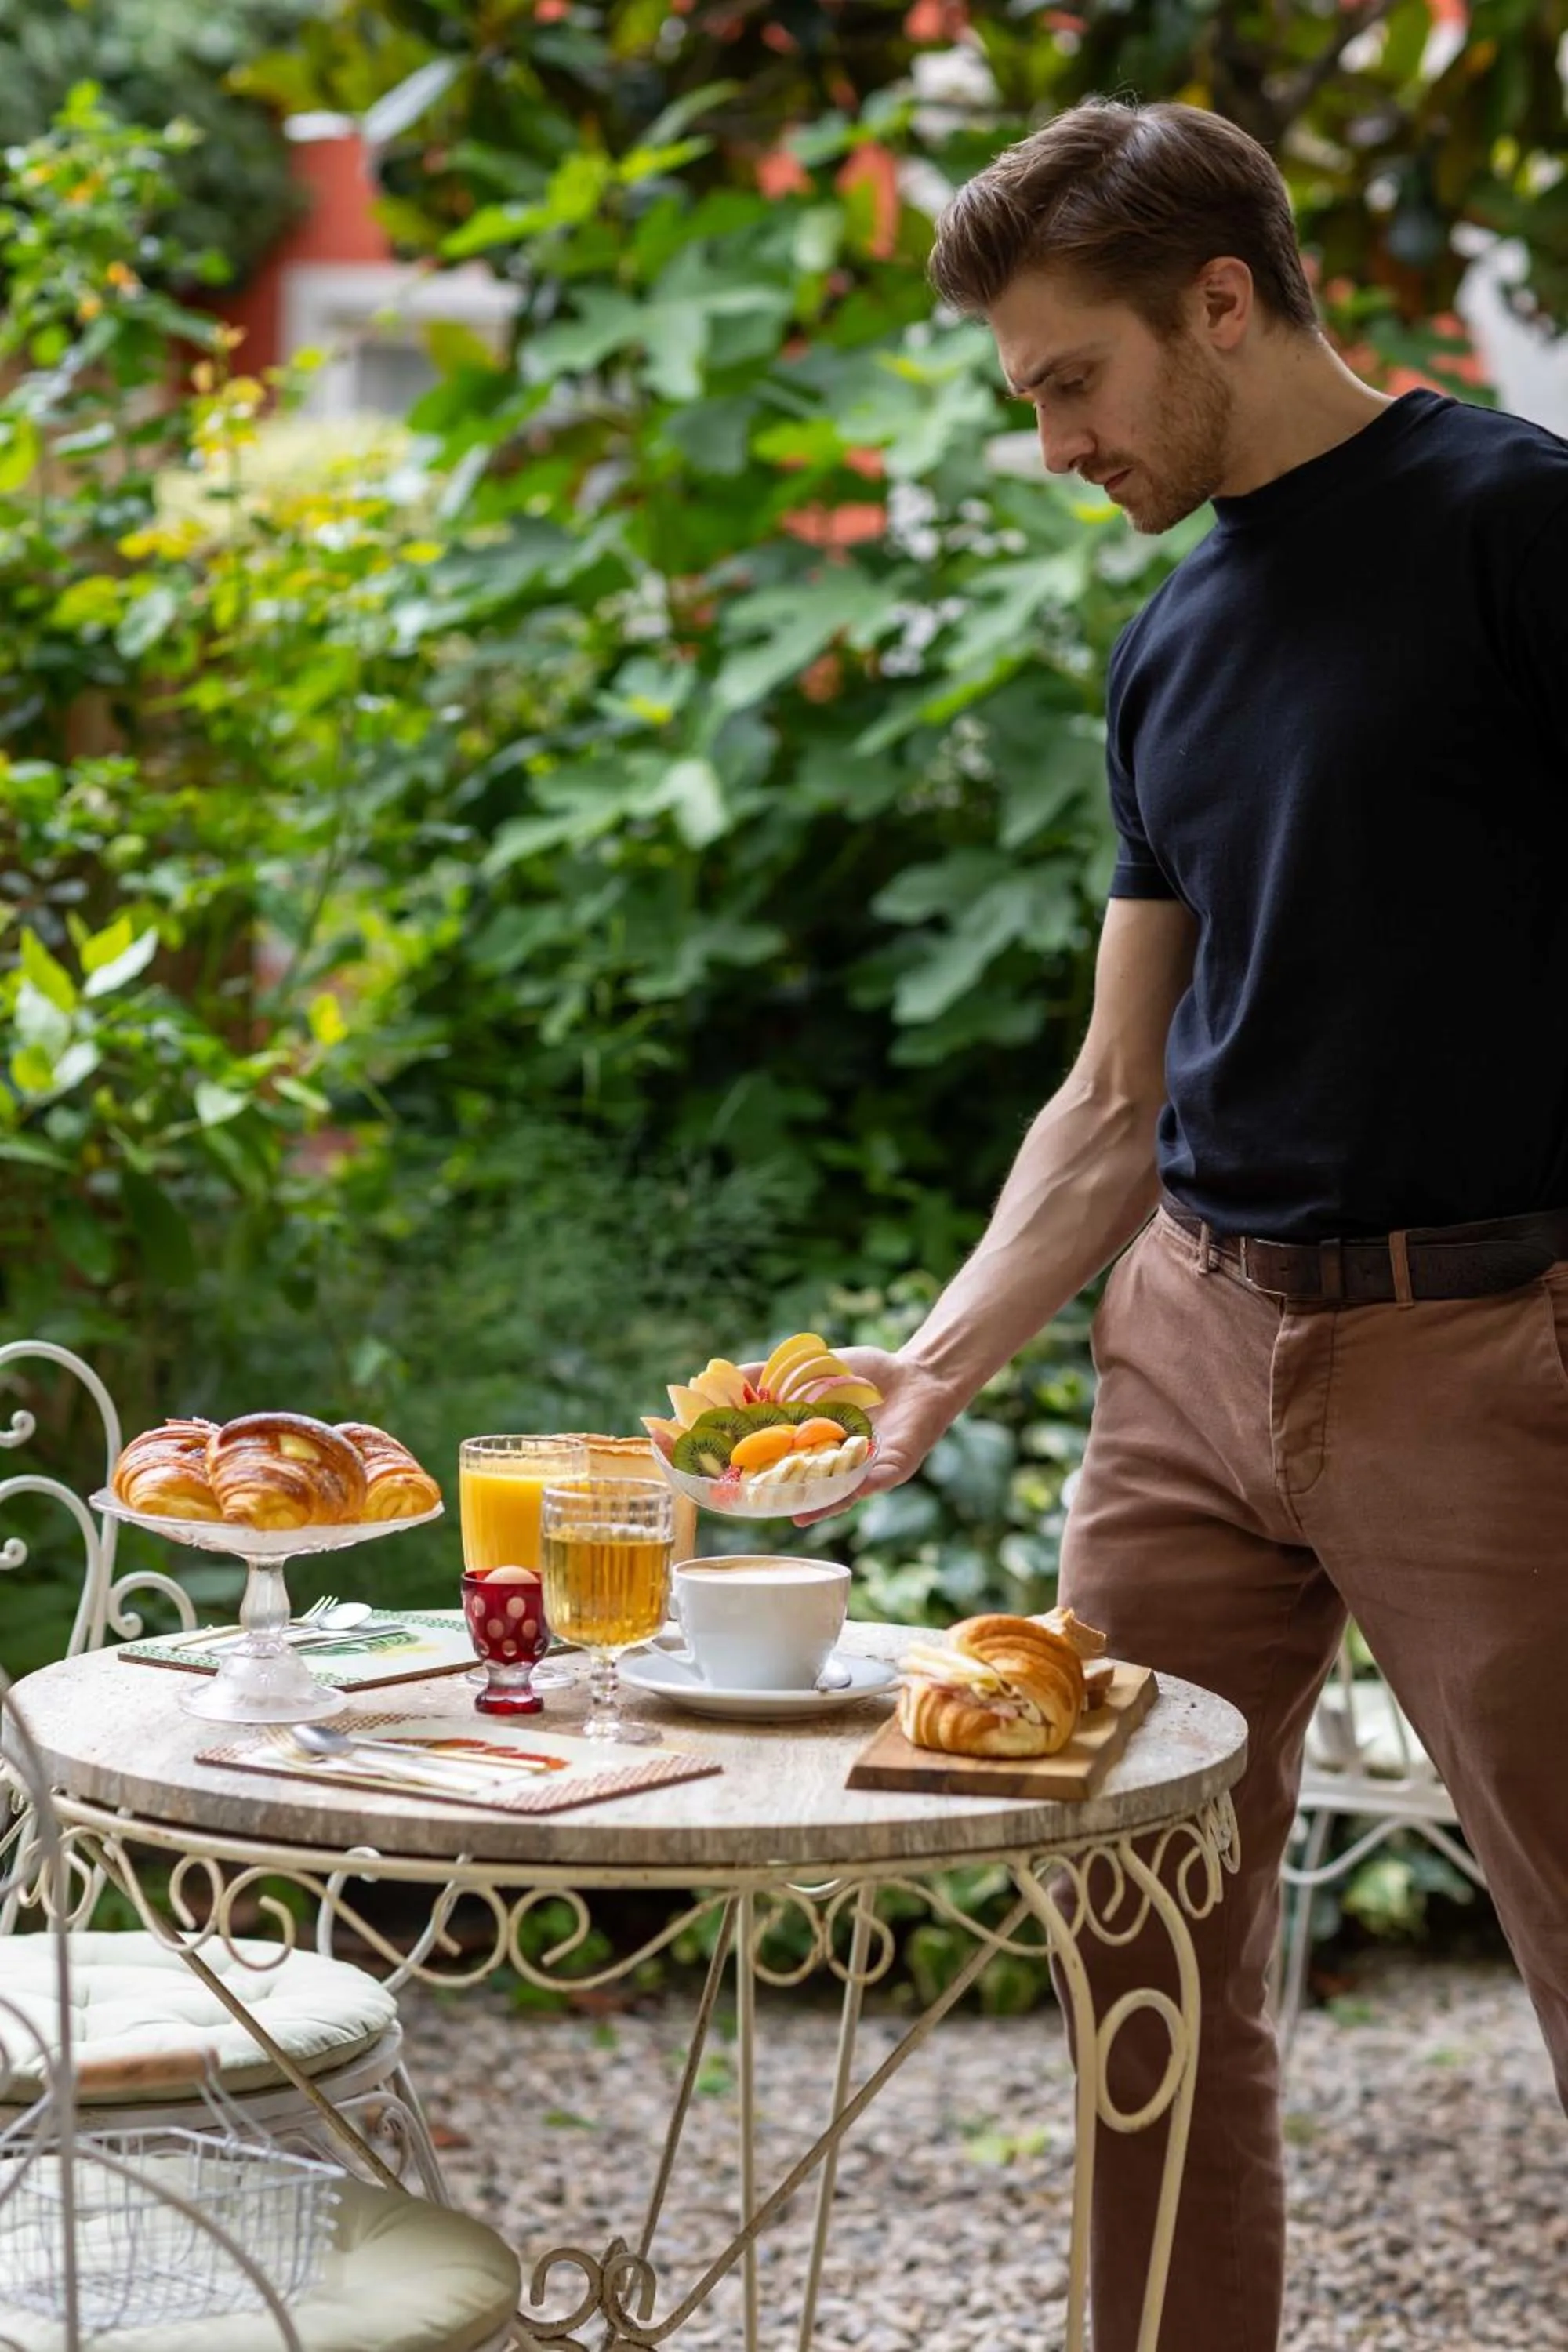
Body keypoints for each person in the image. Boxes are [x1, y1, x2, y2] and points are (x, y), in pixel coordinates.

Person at [827, 96, 1568, 2352]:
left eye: (1074, 379)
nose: (1055, 439)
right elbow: (1114, 1089)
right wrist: (930, 1365)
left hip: (1483, 1356)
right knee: (1132, 1966)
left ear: (1221, 302)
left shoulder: (1511, 528)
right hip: (1186, 1359)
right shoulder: (1172, 644)